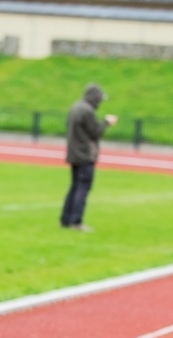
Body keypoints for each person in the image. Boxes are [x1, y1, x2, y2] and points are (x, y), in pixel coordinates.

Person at [59, 83, 117, 233]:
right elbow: (95, 132)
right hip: (85, 156)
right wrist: (106, 122)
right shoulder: (87, 111)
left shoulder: (75, 107)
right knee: (82, 188)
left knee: (74, 186)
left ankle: (65, 219)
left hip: (74, 153)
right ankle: (75, 221)